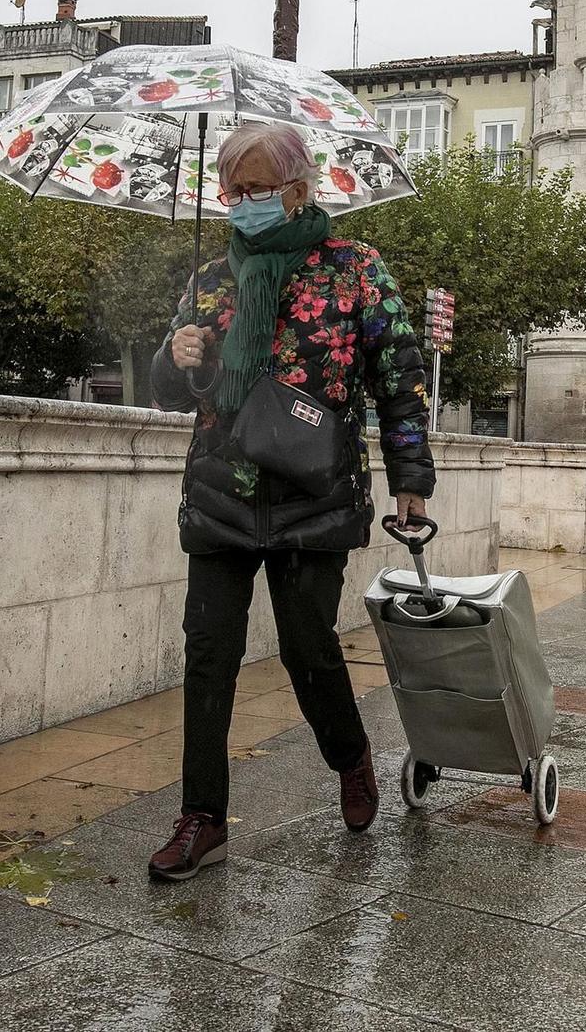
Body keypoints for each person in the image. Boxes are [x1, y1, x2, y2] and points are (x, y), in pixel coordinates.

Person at [145, 121, 434, 880]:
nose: (241, 203)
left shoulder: (355, 269)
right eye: (233, 190)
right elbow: (175, 391)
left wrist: (411, 481)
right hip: (220, 490)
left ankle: (350, 755)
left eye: (257, 190)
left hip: (314, 492)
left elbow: (400, 380)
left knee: (311, 650)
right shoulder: (212, 278)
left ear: (298, 189)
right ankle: (202, 817)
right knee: (210, 657)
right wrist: (176, 358)